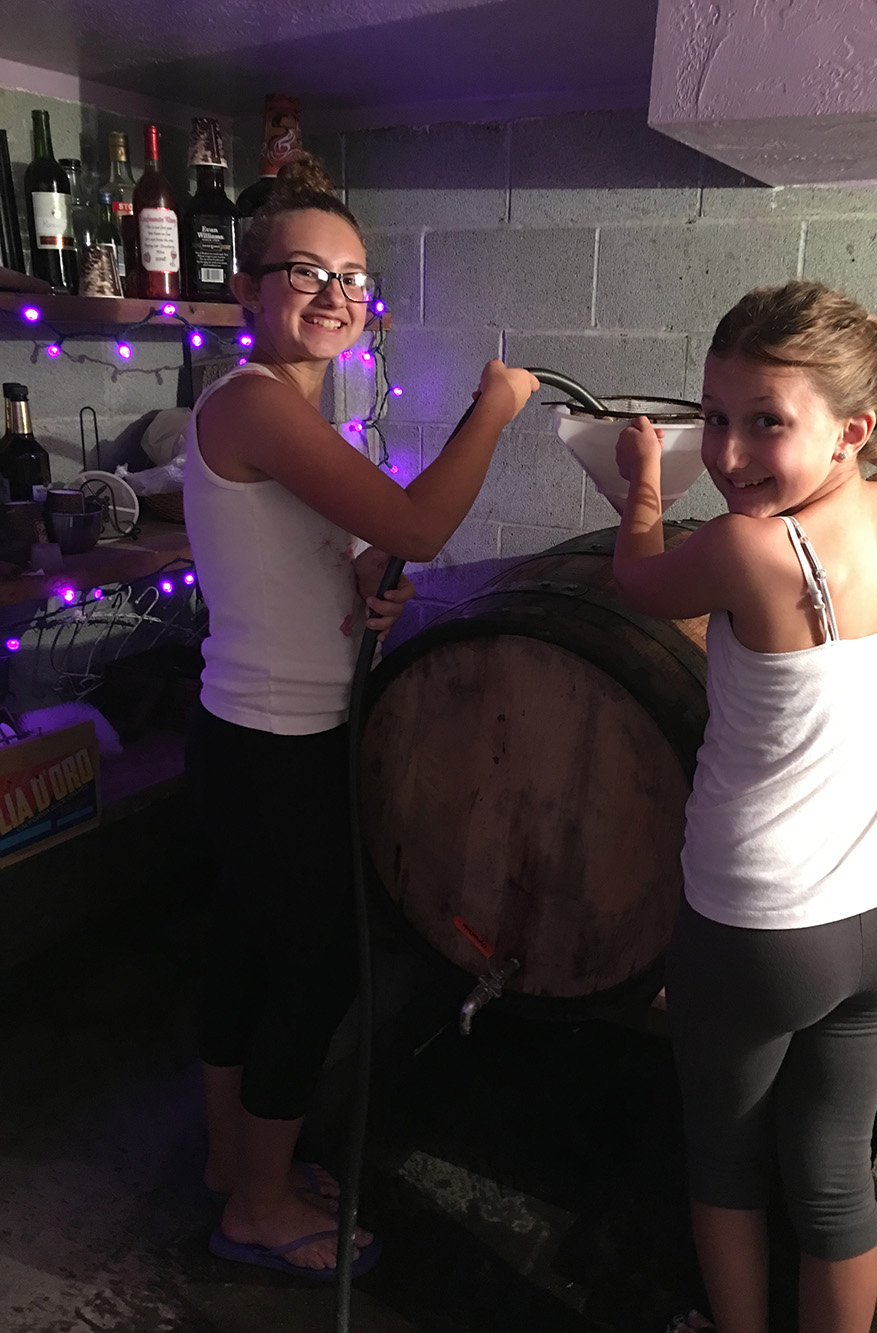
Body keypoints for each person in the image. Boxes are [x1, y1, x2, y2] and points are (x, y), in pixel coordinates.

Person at [183, 153, 539, 1281]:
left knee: (246, 953)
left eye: (353, 277)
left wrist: (360, 579)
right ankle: (261, 1205)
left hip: (250, 730)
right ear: (245, 288)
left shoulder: (290, 409)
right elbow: (425, 525)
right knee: (318, 967)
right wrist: (495, 412)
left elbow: (324, 553)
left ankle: (233, 1164)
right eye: (303, 271)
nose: (335, 294)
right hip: (277, 742)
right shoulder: (251, 399)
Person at [612, 280, 877, 1333]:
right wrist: (858, 439)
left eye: (767, 421)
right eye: (714, 417)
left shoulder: (747, 549)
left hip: (755, 928)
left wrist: (642, 489)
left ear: (850, 428)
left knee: (724, 1167)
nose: (727, 455)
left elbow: (636, 582)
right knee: (830, 1180)